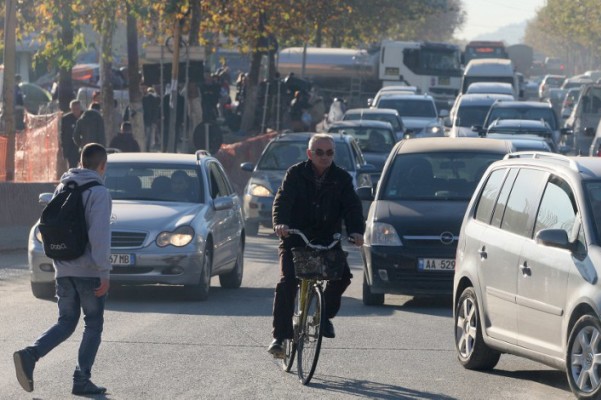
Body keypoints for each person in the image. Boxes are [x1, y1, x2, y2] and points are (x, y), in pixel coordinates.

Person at [13, 143, 112, 395]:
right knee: (93, 324)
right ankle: (81, 378)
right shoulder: (99, 192)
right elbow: (99, 235)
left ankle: (30, 354)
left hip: (64, 269)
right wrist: (104, 271)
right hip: (89, 271)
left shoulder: (63, 185)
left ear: (81, 161)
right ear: (103, 166)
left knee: (66, 322)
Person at [267, 133, 365, 357]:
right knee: (287, 282)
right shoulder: (295, 174)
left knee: (343, 276)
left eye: (329, 152)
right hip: (295, 238)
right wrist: (280, 223)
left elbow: (352, 207)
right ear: (310, 154)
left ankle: (324, 316)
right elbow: (282, 200)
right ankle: (280, 338)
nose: (324, 157)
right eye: (319, 152)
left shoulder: (342, 179)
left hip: (327, 240)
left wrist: (356, 231)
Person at [61, 100, 83, 168]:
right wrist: (64, 150)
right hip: (71, 149)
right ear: (71, 109)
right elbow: (63, 134)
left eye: (77, 109)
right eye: (74, 109)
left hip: (82, 147)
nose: (76, 111)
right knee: (72, 168)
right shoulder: (66, 119)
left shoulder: (85, 117)